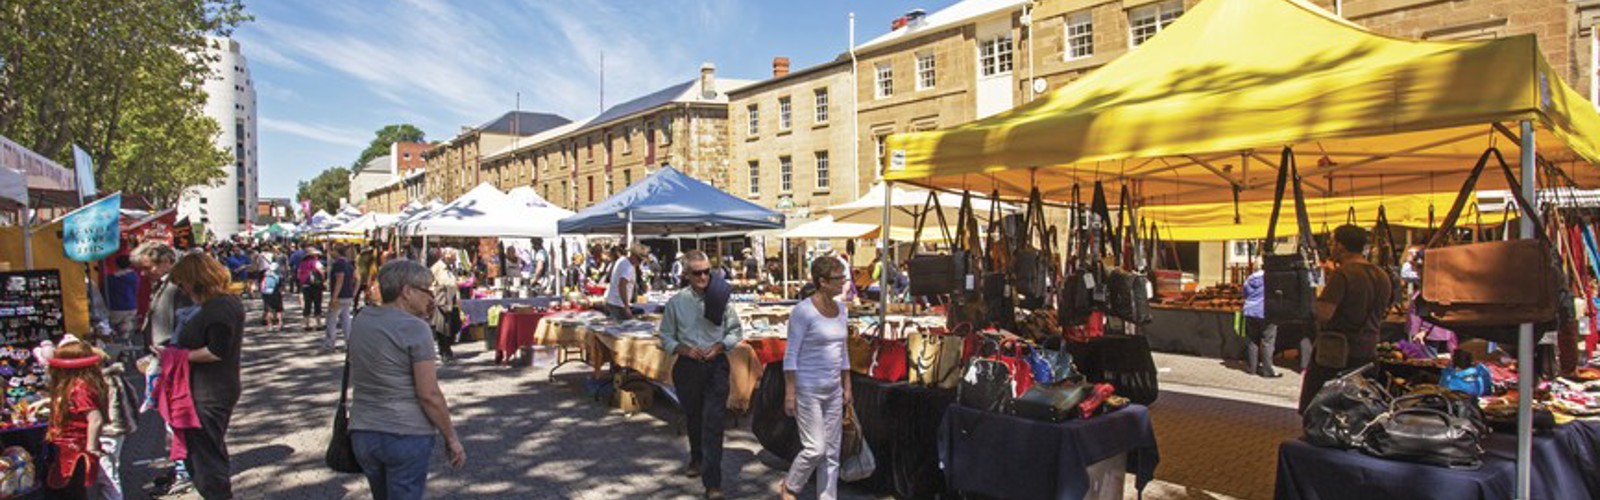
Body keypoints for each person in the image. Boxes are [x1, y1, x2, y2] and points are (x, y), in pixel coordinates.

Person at [348, 259, 467, 499]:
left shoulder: (362, 319)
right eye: (426, 290)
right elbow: (429, 394)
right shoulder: (415, 329)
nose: (431, 297)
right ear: (407, 291)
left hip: (363, 430)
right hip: (404, 433)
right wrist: (451, 437)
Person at [658, 250, 743, 500]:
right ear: (687, 274)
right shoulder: (676, 302)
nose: (704, 277)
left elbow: (735, 331)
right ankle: (696, 457)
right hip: (687, 367)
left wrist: (720, 345)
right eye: (697, 273)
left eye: (708, 271)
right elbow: (665, 335)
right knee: (694, 417)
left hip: (716, 365)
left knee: (713, 423)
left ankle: (713, 483)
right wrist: (682, 348)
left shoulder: (721, 297)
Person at [167, 252, 246, 499]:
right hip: (210, 388)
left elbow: (216, 351)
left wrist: (176, 356)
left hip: (210, 391)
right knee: (207, 452)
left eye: (183, 283)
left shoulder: (219, 307)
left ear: (196, 279)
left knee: (206, 459)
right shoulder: (220, 303)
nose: (183, 289)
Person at [779, 257, 853, 500]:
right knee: (815, 448)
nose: (844, 282)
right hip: (807, 389)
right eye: (838, 278)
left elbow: (843, 351)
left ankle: (827, 497)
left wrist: (847, 386)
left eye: (844, 277)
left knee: (832, 451)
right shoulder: (803, 312)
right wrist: (790, 393)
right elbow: (790, 355)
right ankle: (790, 485)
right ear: (822, 282)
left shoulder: (842, 310)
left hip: (833, 388)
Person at [1298, 225, 1394, 412]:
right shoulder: (1382, 275)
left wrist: (1314, 303)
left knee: (1321, 407)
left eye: (1332, 242)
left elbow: (1324, 313)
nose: (1330, 247)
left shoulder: (1343, 274)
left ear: (1340, 246)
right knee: (1358, 408)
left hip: (1337, 354)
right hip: (1368, 350)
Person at [44, 339, 109, 500]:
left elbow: (95, 419)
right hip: (65, 446)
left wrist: (91, 446)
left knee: (74, 492)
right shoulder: (73, 385)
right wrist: (43, 402)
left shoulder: (80, 388)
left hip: (75, 449)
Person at [1241, 269, 1282, 378]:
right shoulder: (1272, 279)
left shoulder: (1250, 278)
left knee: (1252, 340)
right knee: (1267, 341)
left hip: (1250, 310)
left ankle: (1252, 368)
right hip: (1267, 311)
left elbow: (1244, 293)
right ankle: (1267, 370)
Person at [428, 249, 462, 363]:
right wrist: (436, 294)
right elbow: (430, 284)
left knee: (454, 325)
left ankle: (448, 348)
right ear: (447, 256)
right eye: (453, 256)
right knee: (443, 327)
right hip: (442, 300)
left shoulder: (450, 268)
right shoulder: (436, 267)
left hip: (452, 300)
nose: (455, 259)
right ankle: (444, 351)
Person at [325, 246, 357, 351]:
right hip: (348, 295)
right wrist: (354, 292)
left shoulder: (339, 264)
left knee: (331, 320)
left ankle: (330, 343)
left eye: (332, 250)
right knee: (346, 319)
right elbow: (358, 278)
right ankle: (349, 342)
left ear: (337, 252)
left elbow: (340, 279)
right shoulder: (349, 264)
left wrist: (334, 297)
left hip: (340, 296)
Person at [604, 244, 646, 320]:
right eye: (639, 260)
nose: (640, 262)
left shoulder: (622, 260)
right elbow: (622, 285)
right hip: (619, 304)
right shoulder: (628, 268)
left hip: (613, 301)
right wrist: (626, 306)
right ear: (633, 255)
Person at [106, 255, 141, 338]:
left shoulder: (110, 279)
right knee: (126, 328)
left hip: (116, 307)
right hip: (132, 306)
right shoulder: (134, 276)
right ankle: (126, 342)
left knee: (112, 328)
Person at [299, 248, 326, 331]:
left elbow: (298, 273)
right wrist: (323, 281)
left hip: (305, 285)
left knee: (307, 304)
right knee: (317, 304)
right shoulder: (316, 263)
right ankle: (318, 324)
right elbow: (322, 272)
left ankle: (307, 324)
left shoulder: (302, 263)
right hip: (315, 285)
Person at [261, 257, 286, 332]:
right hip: (275, 293)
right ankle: (279, 324)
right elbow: (281, 287)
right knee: (279, 310)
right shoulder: (279, 276)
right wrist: (282, 293)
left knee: (268, 310)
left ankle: (270, 325)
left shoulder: (265, 274)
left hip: (266, 293)